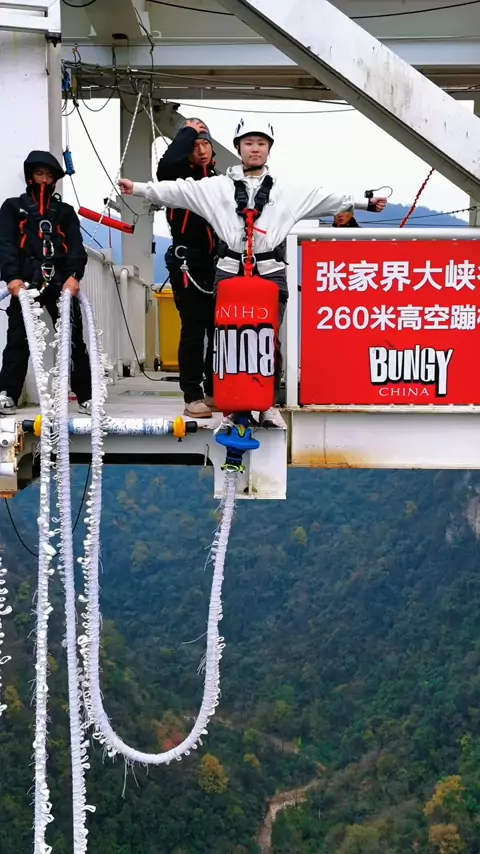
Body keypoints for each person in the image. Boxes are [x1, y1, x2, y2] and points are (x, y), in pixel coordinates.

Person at [119, 119, 388, 426]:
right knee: (230, 339)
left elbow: (325, 199)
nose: (255, 149)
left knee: (268, 339)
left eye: (261, 143)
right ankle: (236, 403)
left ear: (269, 149)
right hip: (230, 270)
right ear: (238, 148)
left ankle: (266, 402)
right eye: (249, 143)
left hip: (269, 270)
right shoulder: (217, 187)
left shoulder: (286, 190)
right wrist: (138, 189)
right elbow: (178, 191)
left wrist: (365, 203)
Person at [0, 151, 92, 415]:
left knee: (73, 339)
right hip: (26, 283)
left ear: (55, 180)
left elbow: (76, 246)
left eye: (49, 175)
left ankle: (86, 396)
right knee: (18, 339)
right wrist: (12, 278)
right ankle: (7, 394)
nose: (44, 180)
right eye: (39, 174)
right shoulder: (12, 208)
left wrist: (74, 276)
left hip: (61, 282)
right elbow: (6, 244)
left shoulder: (65, 212)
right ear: (30, 176)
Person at [157, 118, 217, 419]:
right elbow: (165, 166)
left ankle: (213, 391)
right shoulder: (176, 180)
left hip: (218, 263)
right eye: (194, 145)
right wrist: (188, 131)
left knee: (218, 330)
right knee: (193, 330)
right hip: (187, 264)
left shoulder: (220, 181)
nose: (202, 151)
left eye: (206, 144)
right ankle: (192, 395)